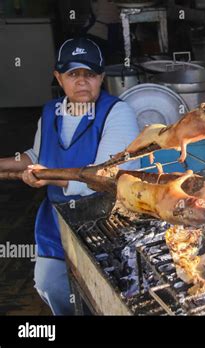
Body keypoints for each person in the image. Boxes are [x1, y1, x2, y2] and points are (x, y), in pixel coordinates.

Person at [0, 37, 140, 315]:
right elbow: (38, 156)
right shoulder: (50, 113)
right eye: (73, 74)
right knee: (51, 285)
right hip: (57, 219)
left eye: (90, 74)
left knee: (106, 295)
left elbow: (104, 177)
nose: (82, 82)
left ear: (101, 77)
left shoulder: (117, 113)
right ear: (58, 77)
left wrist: (46, 178)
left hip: (104, 221)